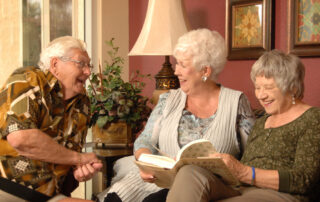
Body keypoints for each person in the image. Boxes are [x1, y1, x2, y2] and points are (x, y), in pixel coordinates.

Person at [103, 28, 255, 202]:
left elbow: (253, 155)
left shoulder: (236, 103)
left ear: (205, 71)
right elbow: (145, 141)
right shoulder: (168, 100)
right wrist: (146, 163)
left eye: (183, 65)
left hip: (205, 187)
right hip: (154, 181)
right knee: (115, 198)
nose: (176, 71)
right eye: (176, 63)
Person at [164, 50, 320, 202]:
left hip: (278, 194)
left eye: (269, 87)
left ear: (292, 88)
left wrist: (244, 172)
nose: (261, 95)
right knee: (189, 173)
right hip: (241, 189)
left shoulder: (312, 118)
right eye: (258, 87)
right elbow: (242, 169)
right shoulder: (262, 122)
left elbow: (304, 180)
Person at [0, 36, 103, 201]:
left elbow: (68, 162)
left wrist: (79, 172)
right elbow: (21, 138)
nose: (88, 72)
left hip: (48, 194)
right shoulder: (28, 79)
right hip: (8, 187)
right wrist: (79, 159)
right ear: (55, 64)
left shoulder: (82, 104)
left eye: (88, 65)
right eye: (81, 63)